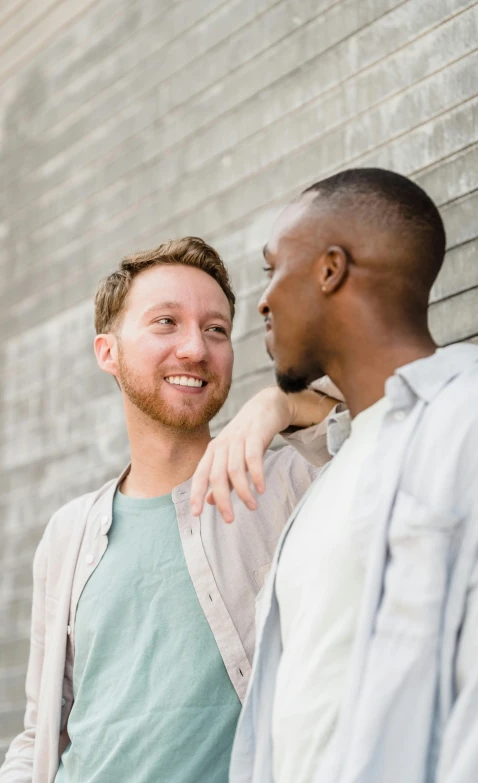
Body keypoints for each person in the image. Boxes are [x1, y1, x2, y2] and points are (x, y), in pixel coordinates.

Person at [0, 237, 340, 783]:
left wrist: (281, 403)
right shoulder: (68, 533)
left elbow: (388, 415)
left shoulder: (285, 483)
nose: (195, 350)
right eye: (165, 323)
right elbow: (42, 731)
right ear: (107, 352)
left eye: (216, 329)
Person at [192, 169, 478, 783]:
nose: (263, 299)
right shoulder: (329, 479)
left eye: (274, 269)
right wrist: (281, 404)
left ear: (330, 270)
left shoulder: (465, 419)